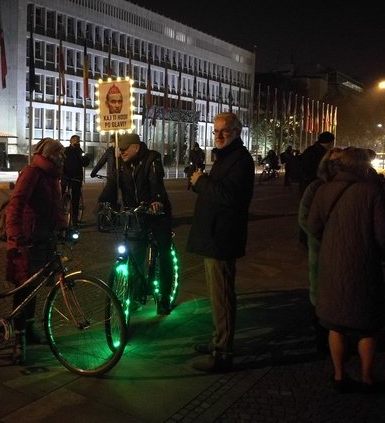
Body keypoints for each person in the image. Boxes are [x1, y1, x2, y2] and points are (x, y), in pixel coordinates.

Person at [307, 147, 385, 392]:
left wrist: (331, 242)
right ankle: (367, 377)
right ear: (363, 166)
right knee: (367, 325)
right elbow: (384, 235)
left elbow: (313, 226)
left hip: (332, 264)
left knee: (336, 324)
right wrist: (374, 252)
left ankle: (339, 375)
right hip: (364, 264)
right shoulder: (372, 192)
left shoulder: (324, 190)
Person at [187, 112, 255, 373]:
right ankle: (217, 340)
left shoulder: (240, 159)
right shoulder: (227, 156)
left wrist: (201, 181)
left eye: (224, 131)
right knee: (217, 295)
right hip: (214, 235)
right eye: (215, 131)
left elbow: (230, 197)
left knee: (222, 296)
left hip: (223, 238)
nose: (218, 135)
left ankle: (222, 352)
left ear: (237, 132)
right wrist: (200, 182)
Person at [5, 138, 67, 364]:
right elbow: (16, 204)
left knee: (35, 288)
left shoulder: (52, 177)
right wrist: (14, 236)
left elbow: (57, 207)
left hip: (43, 240)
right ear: (50, 155)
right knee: (23, 290)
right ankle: (17, 339)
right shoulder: (32, 173)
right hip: (26, 240)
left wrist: (64, 227)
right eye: (59, 153)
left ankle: (29, 330)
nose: (62, 157)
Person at [98, 132, 174, 315]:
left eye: (125, 148)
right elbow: (111, 184)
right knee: (136, 255)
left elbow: (156, 180)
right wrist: (102, 203)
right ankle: (136, 294)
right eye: (120, 149)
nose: (121, 151)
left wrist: (156, 200)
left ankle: (164, 298)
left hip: (157, 212)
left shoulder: (152, 158)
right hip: (135, 215)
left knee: (163, 254)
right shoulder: (121, 165)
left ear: (136, 147)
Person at [298, 147, 343, 357]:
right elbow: (304, 217)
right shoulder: (315, 187)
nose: (335, 167)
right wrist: (321, 236)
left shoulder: (354, 187)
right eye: (331, 163)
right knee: (319, 293)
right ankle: (322, 339)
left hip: (345, 250)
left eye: (339, 163)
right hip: (320, 249)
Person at [62, 135, 90, 227]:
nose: (76, 142)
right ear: (70, 141)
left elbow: (85, 163)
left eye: (78, 141)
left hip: (77, 178)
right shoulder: (65, 150)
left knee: (75, 199)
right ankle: (61, 217)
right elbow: (60, 161)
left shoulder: (80, 151)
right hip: (65, 176)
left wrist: (80, 152)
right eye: (75, 141)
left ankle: (75, 221)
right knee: (61, 197)